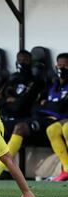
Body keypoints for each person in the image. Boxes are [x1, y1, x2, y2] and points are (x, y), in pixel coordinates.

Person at [0, 50, 44, 178]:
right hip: (4, 118)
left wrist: (5, 101)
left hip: (21, 119)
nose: (22, 63)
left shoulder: (35, 82)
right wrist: (7, 100)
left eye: (25, 60)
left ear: (31, 62)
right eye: (19, 60)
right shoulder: (12, 79)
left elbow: (20, 105)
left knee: (17, 127)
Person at [44, 53, 68, 181]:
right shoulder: (54, 85)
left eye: (66, 66)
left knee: (67, 128)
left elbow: (61, 107)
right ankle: (66, 169)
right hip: (62, 119)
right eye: (60, 66)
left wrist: (49, 105)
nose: (62, 69)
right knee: (52, 130)